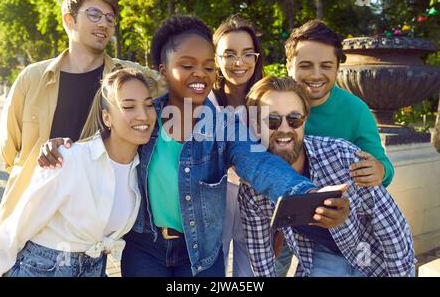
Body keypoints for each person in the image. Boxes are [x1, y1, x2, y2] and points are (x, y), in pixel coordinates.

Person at [39, 15, 347, 277]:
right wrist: (62, 148)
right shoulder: (145, 117)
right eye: (187, 65)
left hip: (201, 254)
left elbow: (260, 165)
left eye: (208, 65)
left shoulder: (225, 126)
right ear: (162, 69)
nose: (200, 73)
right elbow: (100, 143)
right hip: (145, 248)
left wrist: (304, 193)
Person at [0, 0, 165, 229]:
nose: (104, 24)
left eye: (110, 18)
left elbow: (178, 86)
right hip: (33, 215)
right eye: (94, 15)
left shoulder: (128, 76)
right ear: (69, 20)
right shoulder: (32, 78)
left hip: (94, 221)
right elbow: (10, 150)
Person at [239, 76, 416, 277]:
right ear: (253, 124)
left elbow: (390, 226)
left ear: (305, 120)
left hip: (374, 254)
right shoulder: (251, 190)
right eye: (271, 120)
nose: (285, 128)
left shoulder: (342, 156)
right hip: (323, 257)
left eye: (294, 119)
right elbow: (261, 258)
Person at [0, 68, 157, 277]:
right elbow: (16, 227)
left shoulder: (141, 168)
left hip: (94, 269)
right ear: (107, 118)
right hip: (42, 269)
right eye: (129, 106)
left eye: (149, 105)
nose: (143, 115)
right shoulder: (69, 159)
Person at [274, 19, 396, 276]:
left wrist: (378, 171)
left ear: (338, 67)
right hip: (279, 216)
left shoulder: (356, 111)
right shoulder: (272, 103)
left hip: (331, 227)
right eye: (305, 65)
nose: (316, 75)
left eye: (326, 66)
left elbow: (384, 169)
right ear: (289, 65)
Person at [210, 14, 264, 277]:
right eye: (229, 54)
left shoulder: (269, 98)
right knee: (213, 266)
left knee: (250, 272)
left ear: (256, 57)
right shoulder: (204, 100)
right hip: (215, 195)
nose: (239, 62)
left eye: (247, 53)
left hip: (256, 197)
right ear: (216, 59)